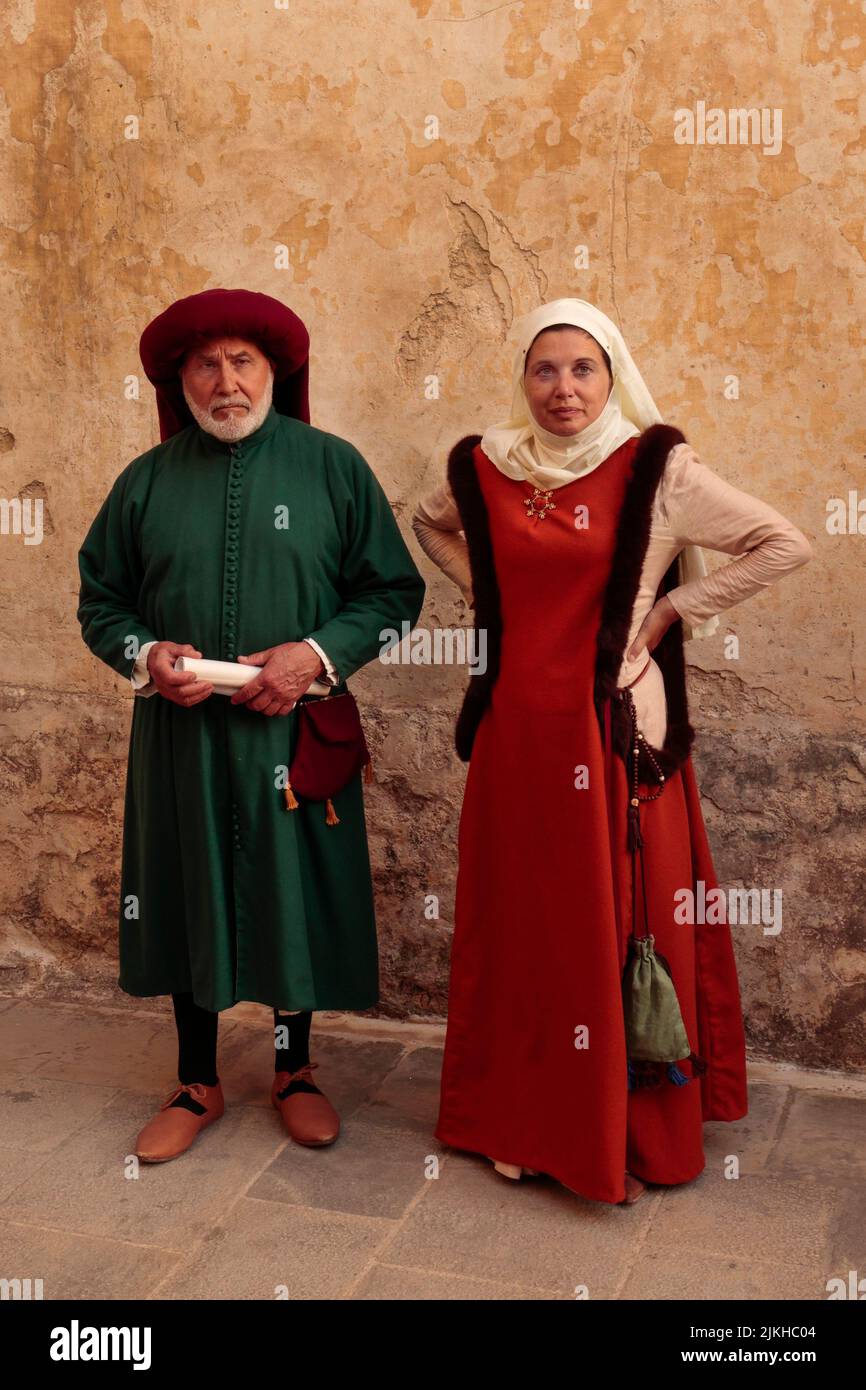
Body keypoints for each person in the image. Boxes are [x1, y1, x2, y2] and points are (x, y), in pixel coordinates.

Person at [411, 297, 812, 1207]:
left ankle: (621, 1127)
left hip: (614, 734)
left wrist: (670, 612)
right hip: (519, 732)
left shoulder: (655, 469)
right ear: (523, 379)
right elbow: (430, 524)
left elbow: (781, 541)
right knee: (526, 928)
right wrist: (498, 598)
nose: (563, 388)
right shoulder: (486, 466)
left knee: (615, 925)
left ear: (612, 373)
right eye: (544, 369)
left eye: (582, 368)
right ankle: (521, 1117)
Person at [77, 288, 425, 1162]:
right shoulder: (146, 483)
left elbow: (392, 595)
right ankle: (197, 1082)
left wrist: (314, 653)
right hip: (180, 739)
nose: (224, 380)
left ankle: (294, 1070)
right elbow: (101, 600)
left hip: (291, 735)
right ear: (181, 382)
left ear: (274, 373)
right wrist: (146, 653)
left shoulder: (333, 468)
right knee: (183, 886)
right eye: (205, 363)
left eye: (242, 361)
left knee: (290, 893)